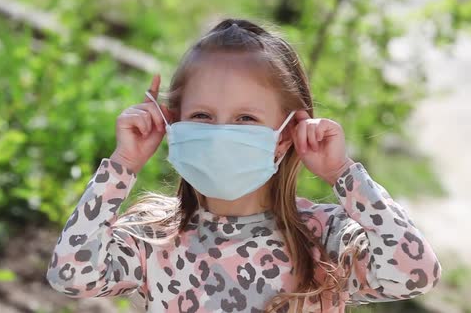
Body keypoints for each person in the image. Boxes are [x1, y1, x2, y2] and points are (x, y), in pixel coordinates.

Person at [46, 18, 441, 312]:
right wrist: (122, 166)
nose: (220, 134)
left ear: (286, 135)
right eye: (201, 116)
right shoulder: (153, 237)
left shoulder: (323, 237)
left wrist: (343, 175)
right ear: (173, 123)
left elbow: (414, 271)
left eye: (245, 119)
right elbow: (71, 276)